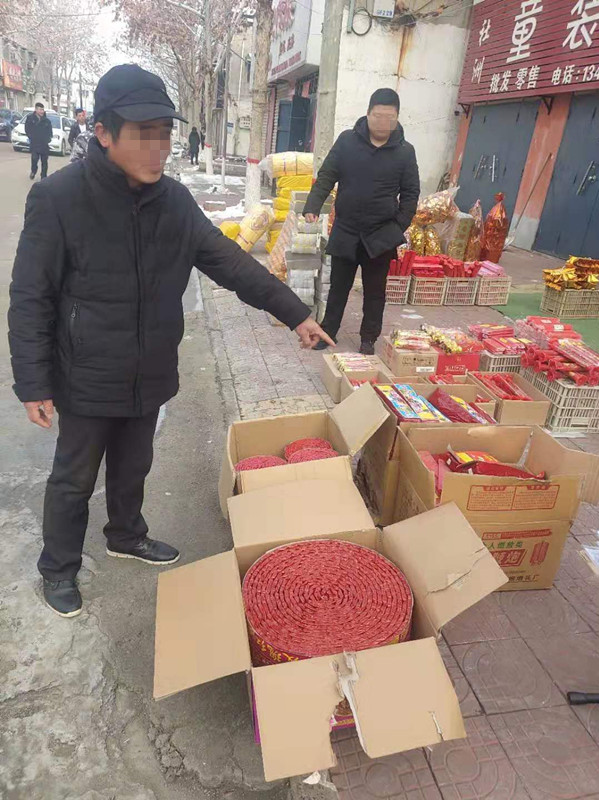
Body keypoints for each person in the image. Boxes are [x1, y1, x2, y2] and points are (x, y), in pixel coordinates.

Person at [8, 64, 332, 619]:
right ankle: (58, 567)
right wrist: (33, 383)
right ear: (104, 132)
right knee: (73, 478)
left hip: (150, 365)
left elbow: (230, 263)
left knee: (134, 463)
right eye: (143, 133)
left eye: (163, 133)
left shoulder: (174, 202)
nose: (158, 147)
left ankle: (126, 534)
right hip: (87, 372)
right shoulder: (59, 198)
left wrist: (296, 312)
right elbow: (30, 296)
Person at [304, 88, 420, 355]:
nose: (383, 122)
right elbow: (327, 175)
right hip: (347, 229)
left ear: (397, 118)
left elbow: (411, 193)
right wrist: (313, 205)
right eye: (378, 116)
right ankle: (328, 332)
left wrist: (398, 226)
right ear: (367, 114)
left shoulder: (405, 152)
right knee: (338, 288)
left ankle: (368, 338)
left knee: (375, 292)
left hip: (381, 235)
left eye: (389, 117)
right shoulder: (347, 141)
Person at [25, 102, 53, 180]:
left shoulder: (47, 121)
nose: (42, 111)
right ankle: (33, 171)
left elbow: (50, 132)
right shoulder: (30, 119)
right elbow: (27, 129)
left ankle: (43, 176)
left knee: (44, 162)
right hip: (35, 144)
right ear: (36, 110)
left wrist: (48, 139)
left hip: (44, 144)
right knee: (34, 159)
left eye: (43, 110)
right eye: (40, 109)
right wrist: (31, 137)